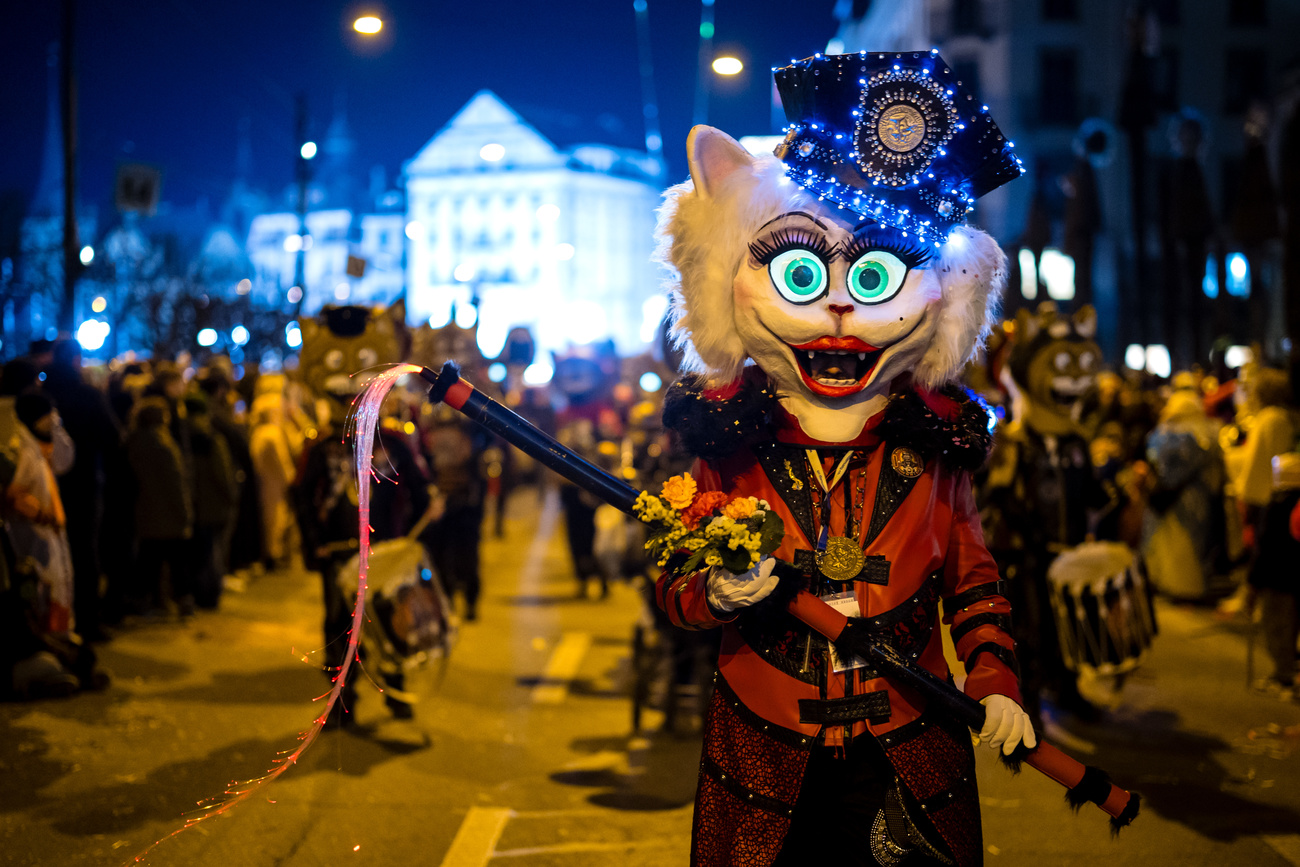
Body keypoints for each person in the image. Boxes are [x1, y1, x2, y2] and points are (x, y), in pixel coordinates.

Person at [650, 52, 1033, 866]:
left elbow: (973, 578)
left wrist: (995, 676)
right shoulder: (726, 441)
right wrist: (712, 589)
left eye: (876, 273)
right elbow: (672, 587)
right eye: (797, 269)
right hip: (762, 748)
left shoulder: (935, 445)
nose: (838, 303)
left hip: (908, 743)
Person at [126, 397, 194, 615]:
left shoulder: (134, 441)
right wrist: (185, 513)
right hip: (169, 515)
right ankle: (183, 602)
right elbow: (176, 482)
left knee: (149, 561)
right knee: (177, 562)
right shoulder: (165, 444)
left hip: (146, 513)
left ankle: (143, 602)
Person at [1247, 452, 1300, 698]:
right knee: (1291, 628)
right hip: (1293, 579)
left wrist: (1253, 581)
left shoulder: (1276, 505)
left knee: (1276, 628)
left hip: (1276, 579)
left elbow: (1265, 546)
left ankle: (1284, 675)